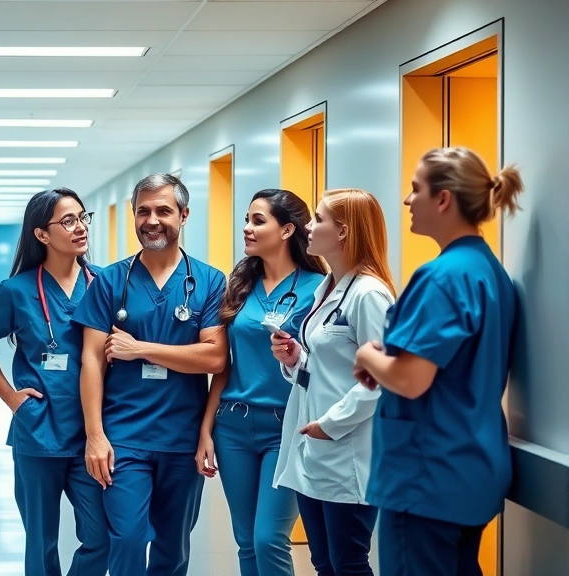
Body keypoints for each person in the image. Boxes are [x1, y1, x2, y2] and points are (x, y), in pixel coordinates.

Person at [352, 147, 523, 576]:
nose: (408, 200)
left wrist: (368, 356)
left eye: (416, 189)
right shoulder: (487, 271)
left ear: (443, 199)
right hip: (470, 467)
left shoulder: (443, 276)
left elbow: (411, 380)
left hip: (427, 475)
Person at [72, 173, 227, 576]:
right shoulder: (110, 281)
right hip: (123, 435)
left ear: (184, 215)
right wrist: (95, 435)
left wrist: (138, 348)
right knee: (125, 538)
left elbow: (214, 358)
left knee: (172, 546)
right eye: (143, 211)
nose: (152, 220)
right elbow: (91, 359)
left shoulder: (209, 281)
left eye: (163, 210)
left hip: (181, 434)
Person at [0, 188, 108, 576]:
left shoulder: (104, 284)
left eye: (83, 217)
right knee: (41, 541)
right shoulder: (16, 291)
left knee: (102, 538)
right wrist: (11, 398)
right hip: (39, 431)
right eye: (68, 221)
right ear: (41, 235)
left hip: (93, 435)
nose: (80, 227)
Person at [196, 188, 327, 576]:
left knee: (269, 538)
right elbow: (225, 366)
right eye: (246, 220)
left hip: (286, 426)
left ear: (287, 230)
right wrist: (207, 429)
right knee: (246, 541)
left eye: (258, 220)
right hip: (233, 425)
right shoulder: (240, 286)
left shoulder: (319, 288)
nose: (247, 228)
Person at [269, 189, 397, 576]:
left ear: (343, 232)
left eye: (319, 219)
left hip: (347, 449)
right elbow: (327, 363)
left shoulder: (370, 294)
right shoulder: (329, 286)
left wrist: (331, 425)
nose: (309, 226)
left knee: (349, 562)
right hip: (313, 441)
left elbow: (381, 376)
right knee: (324, 561)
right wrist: (295, 359)